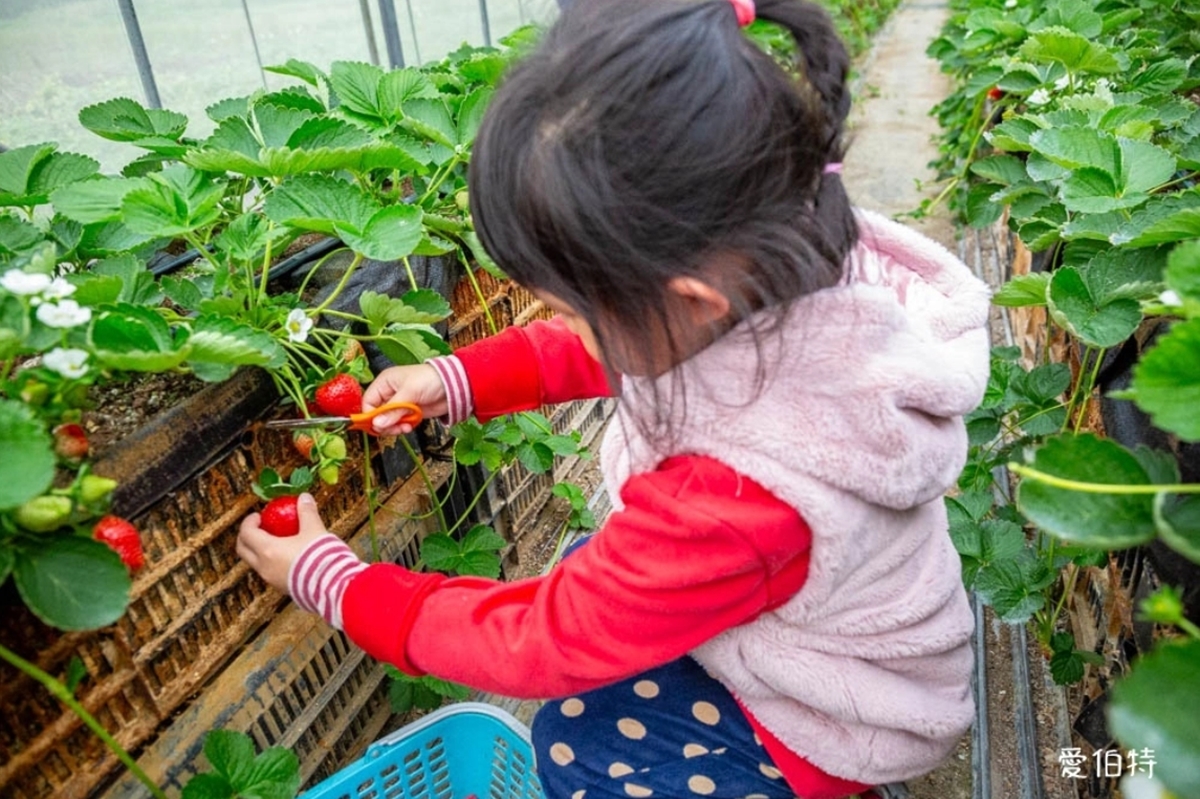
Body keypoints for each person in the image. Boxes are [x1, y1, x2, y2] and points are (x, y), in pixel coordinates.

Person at [237, 0, 991, 796]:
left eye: (569, 309)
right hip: (814, 628)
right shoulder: (780, 266)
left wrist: (341, 583)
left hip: (831, 718)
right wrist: (454, 381)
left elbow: (541, 641)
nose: (567, 328)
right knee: (583, 601)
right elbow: (624, 349)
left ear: (687, 297)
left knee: (582, 753)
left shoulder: (741, 493)